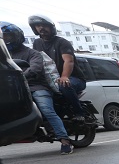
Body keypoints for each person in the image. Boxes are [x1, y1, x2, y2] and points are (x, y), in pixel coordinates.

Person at [2, 21, 73, 154]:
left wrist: (19, 76)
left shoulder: (32, 53)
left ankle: (65, 140)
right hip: (15, 91)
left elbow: (35, 69)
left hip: (36, 87)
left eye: (8, 37)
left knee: (46, 110)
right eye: (3, 38)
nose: (6, 40)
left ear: (16, 36)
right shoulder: (5, 57)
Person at [28, 14, 87, 124]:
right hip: (51, 79)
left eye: (44, 25)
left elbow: (68, 61)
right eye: (38, 26)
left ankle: (79, 113)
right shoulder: (37, 43)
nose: (41, 28)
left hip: (74, 79)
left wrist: (64, 76)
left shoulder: (62, 42)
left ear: (51, 27)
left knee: (63, 85)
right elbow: (36, 61)